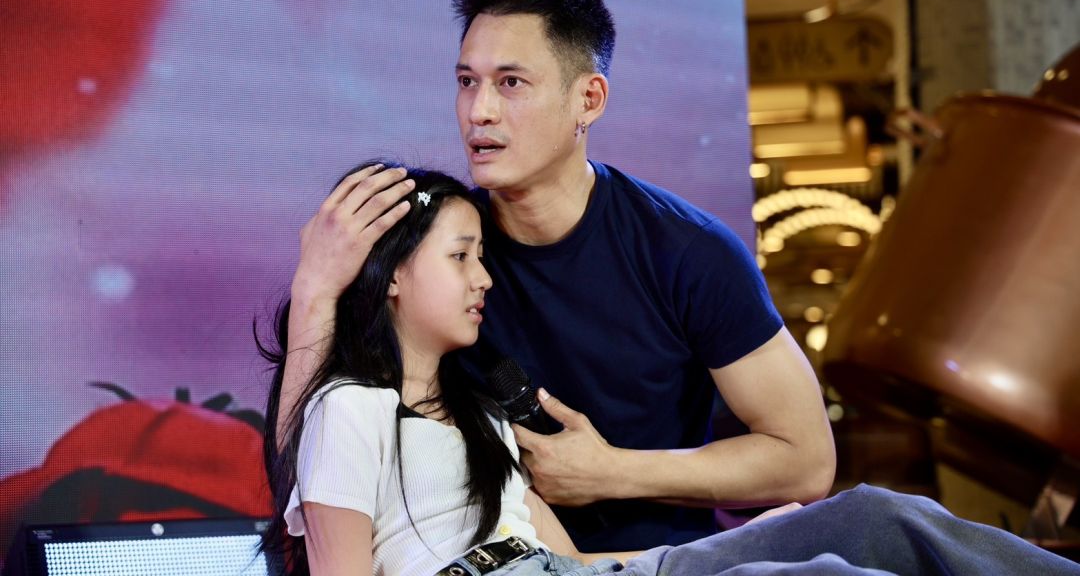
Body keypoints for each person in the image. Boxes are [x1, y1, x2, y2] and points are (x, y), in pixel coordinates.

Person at [259, 164, 1080, 576]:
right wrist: (318, 286)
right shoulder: (349, 410)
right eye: (462, 256)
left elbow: (571, 564)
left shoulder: (482, 415)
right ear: (393, 273)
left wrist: (752, 542)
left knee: (872, 519)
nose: (485, 278)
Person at [277, 0, 834, 552]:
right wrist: (314, 287)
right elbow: (318, 466)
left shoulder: (687, 251)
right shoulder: (435, 257)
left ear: (587, 99)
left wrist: (613, 471)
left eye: (511, 82)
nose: (479, 111)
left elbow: (806, 461)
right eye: (467, 81)